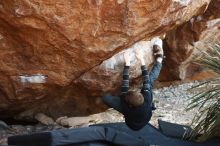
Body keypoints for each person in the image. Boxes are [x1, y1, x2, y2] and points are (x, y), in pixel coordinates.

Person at [103, 37, 164, 131]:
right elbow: (146, 79)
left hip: (130, 123)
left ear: (129, 104)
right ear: (142, 97)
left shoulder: (125, 104)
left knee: (105, 98)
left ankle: (159, 60)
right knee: (150, 80)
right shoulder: (147, 97)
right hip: (145, 117)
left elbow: (125, 83)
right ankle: (159, 59)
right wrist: (141, 60)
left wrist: (127, 64)